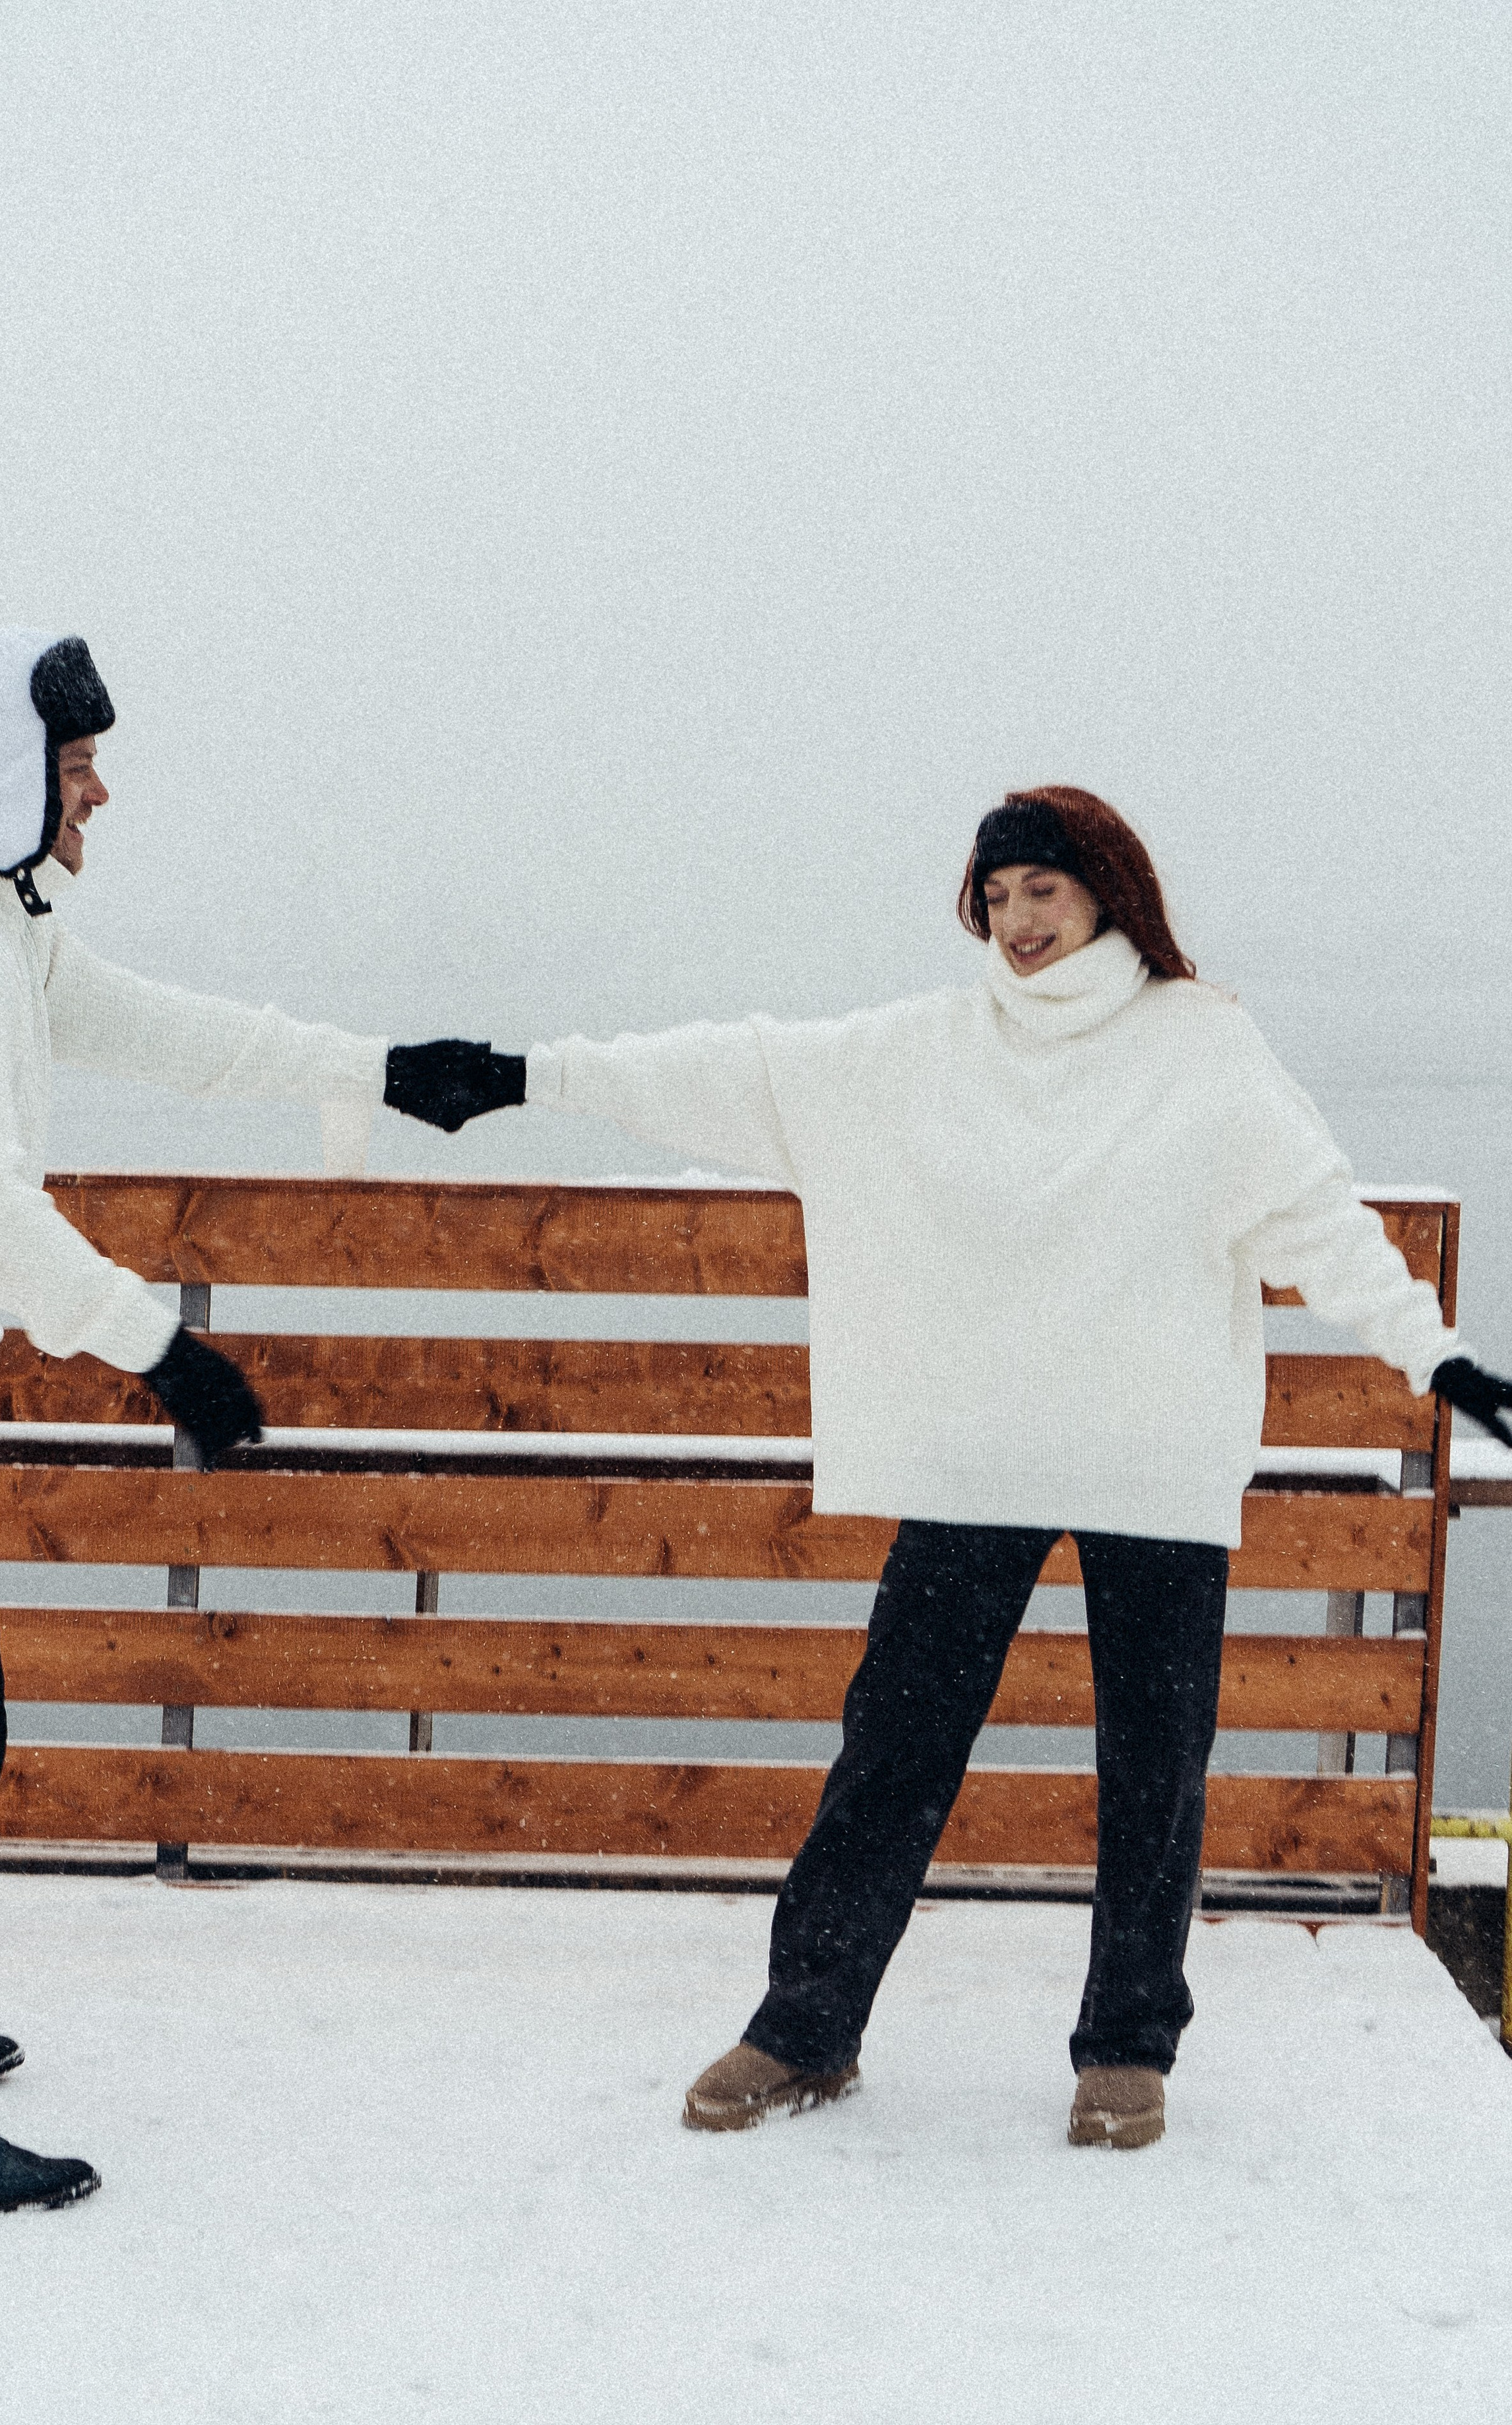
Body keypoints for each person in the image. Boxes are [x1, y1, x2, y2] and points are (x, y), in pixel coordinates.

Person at [382, 786, 1512, 2149]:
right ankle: (804, 2026)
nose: (1014, 920)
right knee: (895, 1746)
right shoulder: (928, 1046)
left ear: (1105, 891)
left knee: (1154, 1764)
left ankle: (1124, 2048)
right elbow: (735, 1068)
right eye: (993, 894)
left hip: (1147, 1453)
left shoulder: (1201, 1048)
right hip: (978, 1452)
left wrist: (1439, 1361)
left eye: (1040, 889)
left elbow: (1315, 1220)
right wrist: (521, 1077)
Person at [0, 627, 394, 2215]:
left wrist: (364, 1064)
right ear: (9, 772)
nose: (100, 795)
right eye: (77, 768)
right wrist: (161, 1347)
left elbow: (164, 1028)